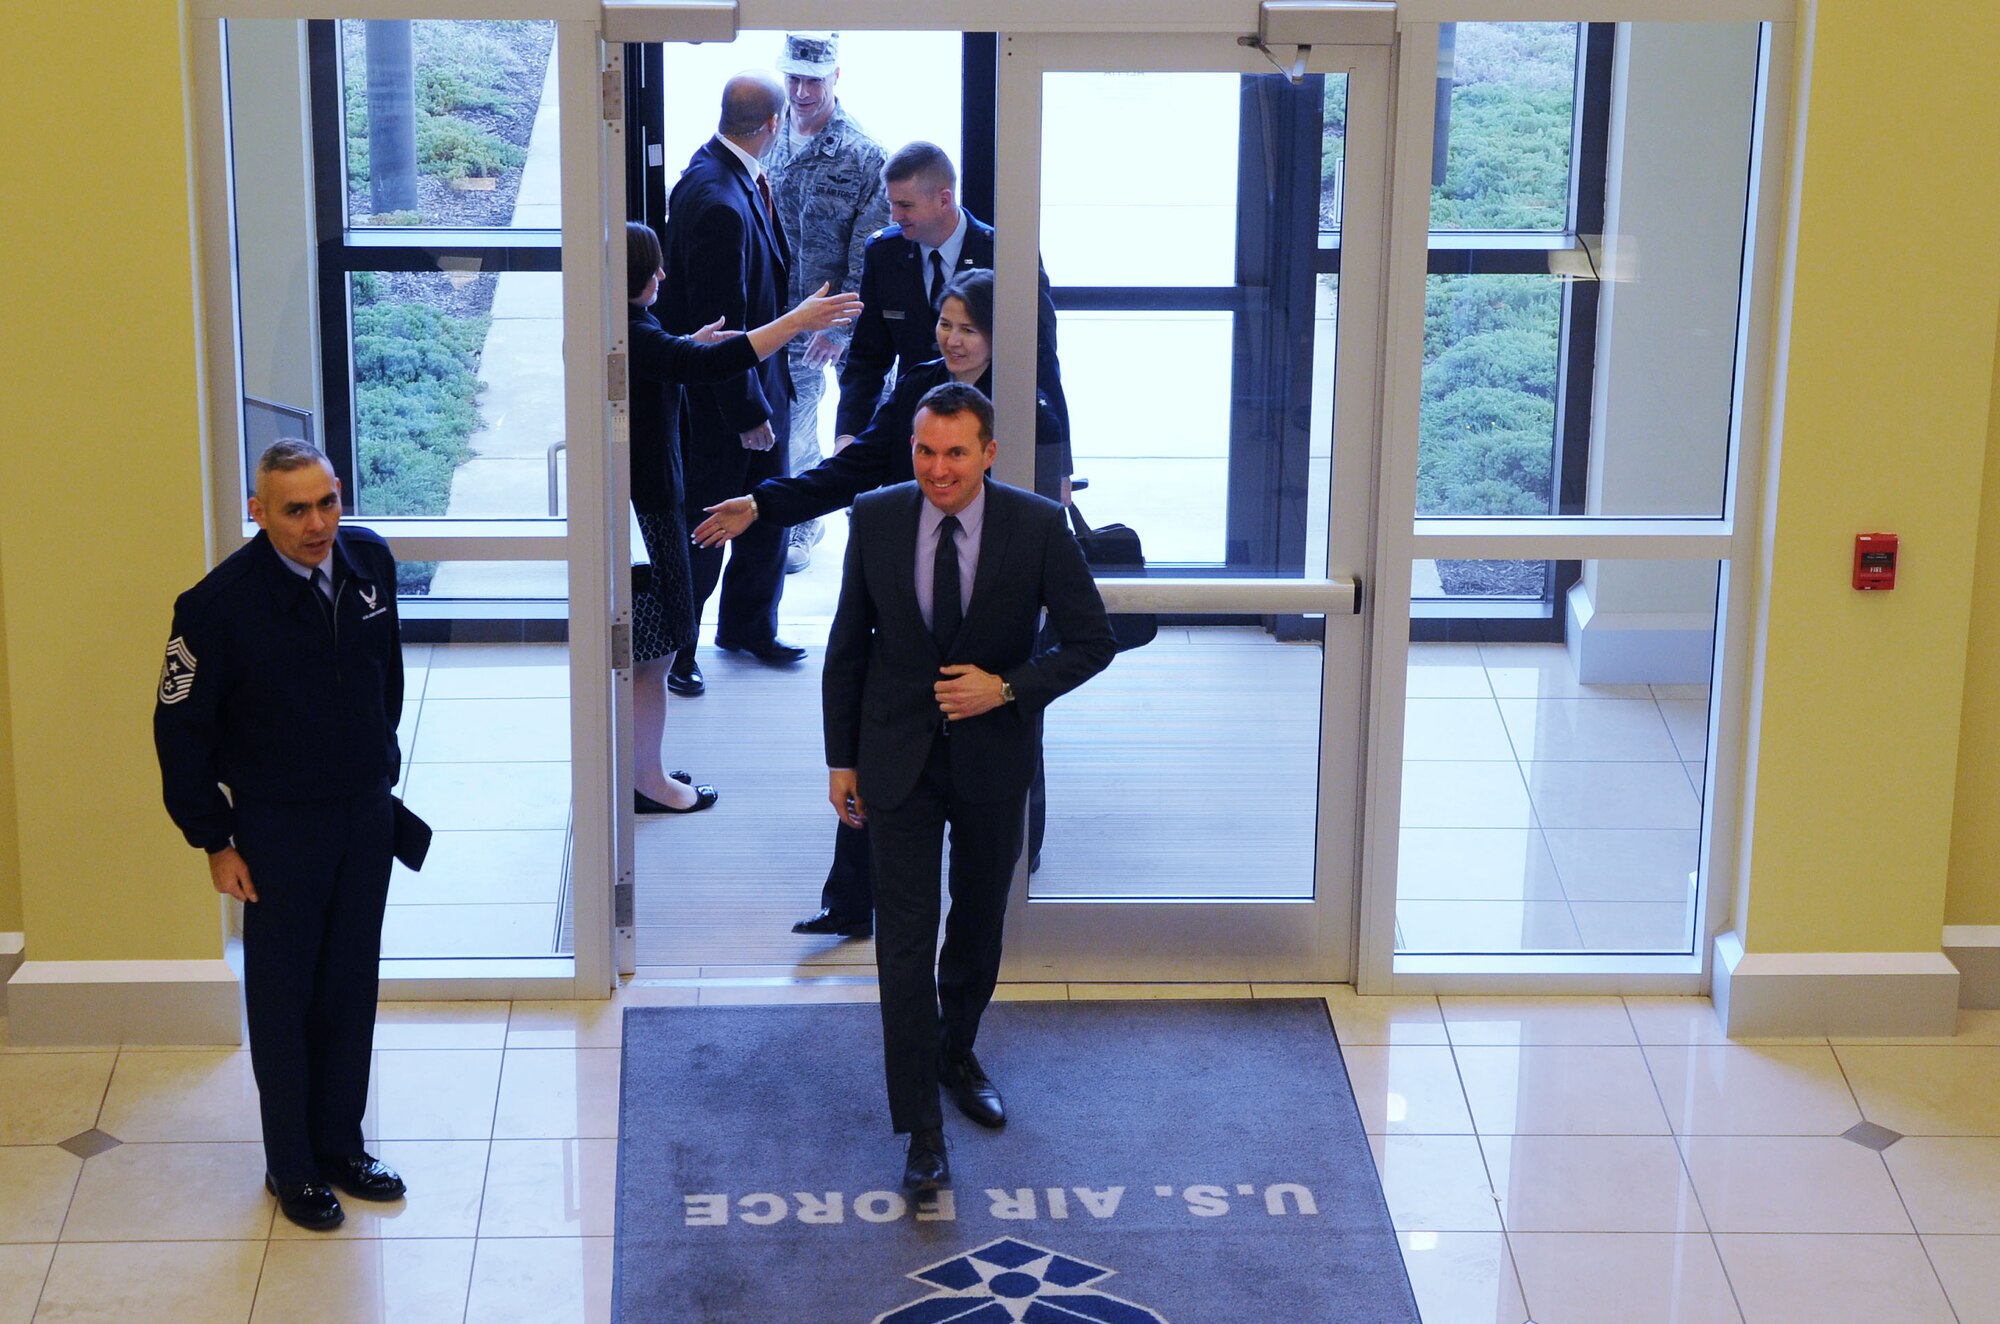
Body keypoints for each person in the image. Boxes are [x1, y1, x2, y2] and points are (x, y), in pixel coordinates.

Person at [692, 269, 1069, 937]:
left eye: (968, 328)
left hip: (995, 616)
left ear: (999, 336)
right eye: (945, 323)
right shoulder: (921, 385)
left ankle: (1016, 874)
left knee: (1010, 739)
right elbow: (859, 467)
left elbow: (1046, 516)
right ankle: (851, 901)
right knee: (884, 743)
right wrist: (763, 503)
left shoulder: (1027, 406)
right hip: (916, 601)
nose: (952, 339)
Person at [821, 383, 1114, 1190]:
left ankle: (956, 1053)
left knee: (978, 926)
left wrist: (1008, 687)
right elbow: (848, 643)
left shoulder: (1036, 525)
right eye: (925, 452)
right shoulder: (876, 517)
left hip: (993, 759)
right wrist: (839, 760)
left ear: (988, 452)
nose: (938, 470)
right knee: (905, 942)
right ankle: (920, 1131)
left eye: (955, 453)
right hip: (895, 760)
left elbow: (1093, 641)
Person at [153, 441, 409, 1232]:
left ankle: (343, 1145)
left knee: (349, 984)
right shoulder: (214, 607)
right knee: (285, 996)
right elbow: (178, 732)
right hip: (276, 829)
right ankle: (292, 1166)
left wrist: (376, 767)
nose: (316, 524)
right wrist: (215, 842)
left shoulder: (368, 562)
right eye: (295, 510)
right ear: (258, 511)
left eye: (327, 502)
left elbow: (386, 677)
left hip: (363, 812)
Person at [624, 221, 860, 808]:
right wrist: (797, 320)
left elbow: (676, 360)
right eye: (651, 268)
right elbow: (713, 361)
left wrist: (691, 346)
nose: (661, 275)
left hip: (643, 508)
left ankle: (638, 768)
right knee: (651, 657)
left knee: (648, 655)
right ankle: (647, 785)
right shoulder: (632, 331)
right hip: (645, 515)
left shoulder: (625, 326)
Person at [660, 71, 801, 701]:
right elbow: (722, 321)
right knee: (711, 527)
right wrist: (748, 411)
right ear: (773, 125)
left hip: (758, 386)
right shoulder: (719, 200)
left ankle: (748, 628)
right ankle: (677, 651)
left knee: (769, 515)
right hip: (729, 403)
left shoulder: (719, 171)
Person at [836, 142, 1069, 446]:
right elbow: (868, 359)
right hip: (916, 432)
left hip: (991, 433)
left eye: (905, 206)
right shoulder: (883, 253)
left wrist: (1060, 464)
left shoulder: (1005, 255)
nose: (894, 216)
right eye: (891, 204)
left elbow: (1041, 359)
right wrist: (847, 435)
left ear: (943, 199)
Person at [763, 30, 887, 574]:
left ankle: (877, 523)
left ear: (836, 76)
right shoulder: (768, 134)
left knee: (864, 425)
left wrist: (837, 327)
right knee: (794, 423)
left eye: (813, 79)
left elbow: (871, 255)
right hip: (784, 318)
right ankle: (803, 523)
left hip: (844, 322)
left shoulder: (863, 155)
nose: (802, 90)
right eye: (793, 78)